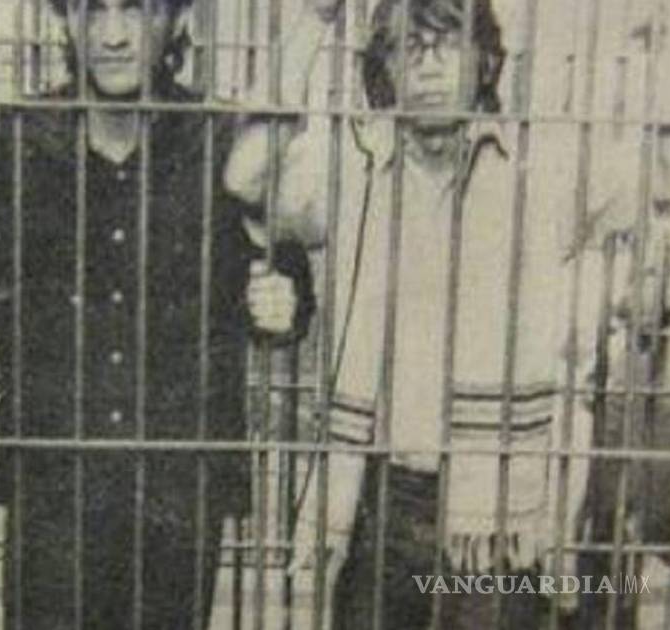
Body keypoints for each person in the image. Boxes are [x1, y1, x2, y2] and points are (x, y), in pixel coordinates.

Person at [0, 0, 319, 627]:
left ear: (176, 20)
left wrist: (279, 307)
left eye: (135, 10)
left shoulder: (222, 139)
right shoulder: (11, 134)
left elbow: (287, 286)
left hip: (177, 487)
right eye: (91, 9)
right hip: (53, 483)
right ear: (65, 20)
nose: (111, 35)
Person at [227, 0, 603, 626]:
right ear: (384, 70)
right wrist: (314, 20)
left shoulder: (542, 169)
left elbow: (657, 170)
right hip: (378, 497)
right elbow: (246, 175)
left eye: (448, 43)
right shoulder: (351, 167)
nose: (429, 65)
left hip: (499, 502)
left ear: (486, 62)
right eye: (408, 47)